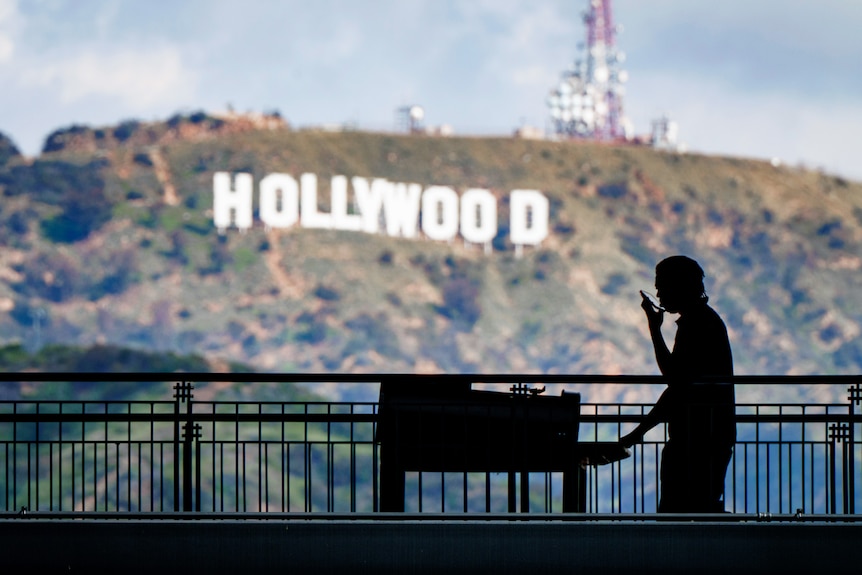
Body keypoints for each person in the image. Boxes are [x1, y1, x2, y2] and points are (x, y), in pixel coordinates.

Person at [620, 255, 736, 513]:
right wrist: (638, 432)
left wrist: (654, 329)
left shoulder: (696, 325)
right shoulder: (703, 320)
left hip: (697, 439)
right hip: (708, 435)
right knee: (698, 508)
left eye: (662, 285)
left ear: (679, 286)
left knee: (678, 512)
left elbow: (676, 381)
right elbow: (679, 385)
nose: (659, 293)